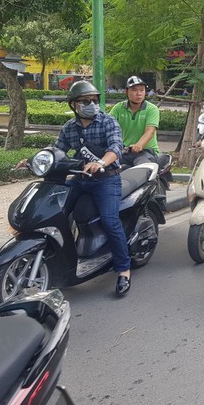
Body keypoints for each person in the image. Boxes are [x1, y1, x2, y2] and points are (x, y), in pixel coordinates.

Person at [25, 81, 132, 296]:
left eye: (94, 100)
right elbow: (58, 150)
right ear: (74, 105)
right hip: (80, 179)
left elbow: (115, 148)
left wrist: (100, 163)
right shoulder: (69, 128)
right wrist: (33, 160)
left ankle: (123, 270)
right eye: (85, 101)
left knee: (110, 221)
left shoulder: (108, 122)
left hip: (107, 180)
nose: (91, 104)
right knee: (55, 212)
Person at [110, 75, 160, 167]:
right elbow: (108, 127)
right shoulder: (118, 108)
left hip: (146, 151)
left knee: (144, 169)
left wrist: (139, 145)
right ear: (126, 91)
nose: (139, 93)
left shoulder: (152, 109)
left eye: (142, 90)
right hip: (124, 151)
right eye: (134, 90)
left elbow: (150, 131)